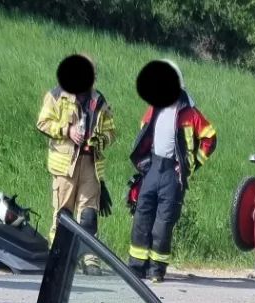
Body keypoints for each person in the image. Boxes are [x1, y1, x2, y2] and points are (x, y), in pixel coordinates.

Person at [127, 63, 215, 283]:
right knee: (142, 216)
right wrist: (144, 163)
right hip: (153, 169)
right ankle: (137, 267)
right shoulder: (154, 107)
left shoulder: (189, 113)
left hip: (172, 175)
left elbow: (210, 137)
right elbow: (144, 131)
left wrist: (190, 165)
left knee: (163, 224)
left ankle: (156, 270)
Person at [35, 59, 115, 264]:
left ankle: (89, 260)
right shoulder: (57, 95)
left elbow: (111, 130)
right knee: (64, 214)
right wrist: (67, 130)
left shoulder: (99, 100)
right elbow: (42, 123)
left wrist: (101, 139)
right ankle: (59, 257)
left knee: (88, 214)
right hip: (65, 165)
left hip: (90, 164)